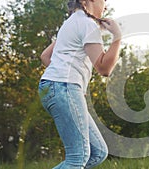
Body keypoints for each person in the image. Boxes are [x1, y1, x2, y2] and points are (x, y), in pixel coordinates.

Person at [38, 0, 121, 168]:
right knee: (78, 157)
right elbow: (104, 69)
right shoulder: (87, 24)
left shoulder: (70, 23)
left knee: (98, 152)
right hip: (64, 88)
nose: (105, 5)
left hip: (54, 87)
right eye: (103, 0)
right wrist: (117, 37)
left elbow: (45, 57)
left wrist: (68, 79)